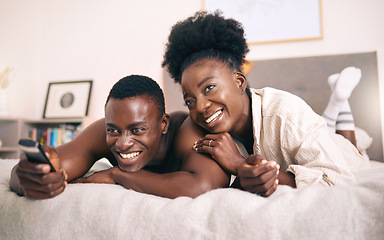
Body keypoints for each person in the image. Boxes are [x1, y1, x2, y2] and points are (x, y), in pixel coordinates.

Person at [161, 11, 369, 195]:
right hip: (311, 137)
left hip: (342, 153)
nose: (200, 106)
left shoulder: (285, 113)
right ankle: (336, 107)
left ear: (239, 81)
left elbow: (338, 180)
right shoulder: (208, 135)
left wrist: (240, 164)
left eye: (209, 88)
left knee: (350, 145)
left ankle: (340, 103)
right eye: (189, 101)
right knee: (325, 128)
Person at [10, 75, 229, 199]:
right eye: (113, 130)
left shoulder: (187, 131)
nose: (123, 143)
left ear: (163, 124)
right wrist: (28, 175)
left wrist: (117, 175)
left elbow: (203, 187)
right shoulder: (102, 131)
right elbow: (50, 169)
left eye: (137, 130)